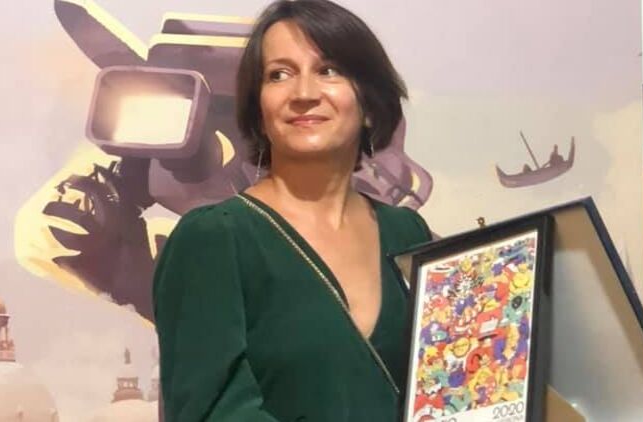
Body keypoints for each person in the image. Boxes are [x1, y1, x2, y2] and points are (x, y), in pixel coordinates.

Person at [152, 1, 433, 421]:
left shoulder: (407, 233)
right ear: (259, 109)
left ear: (370, 104)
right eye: (279, 75)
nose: (303, 94)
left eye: (329, 70)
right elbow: (213, 412)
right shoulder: (214, 238)